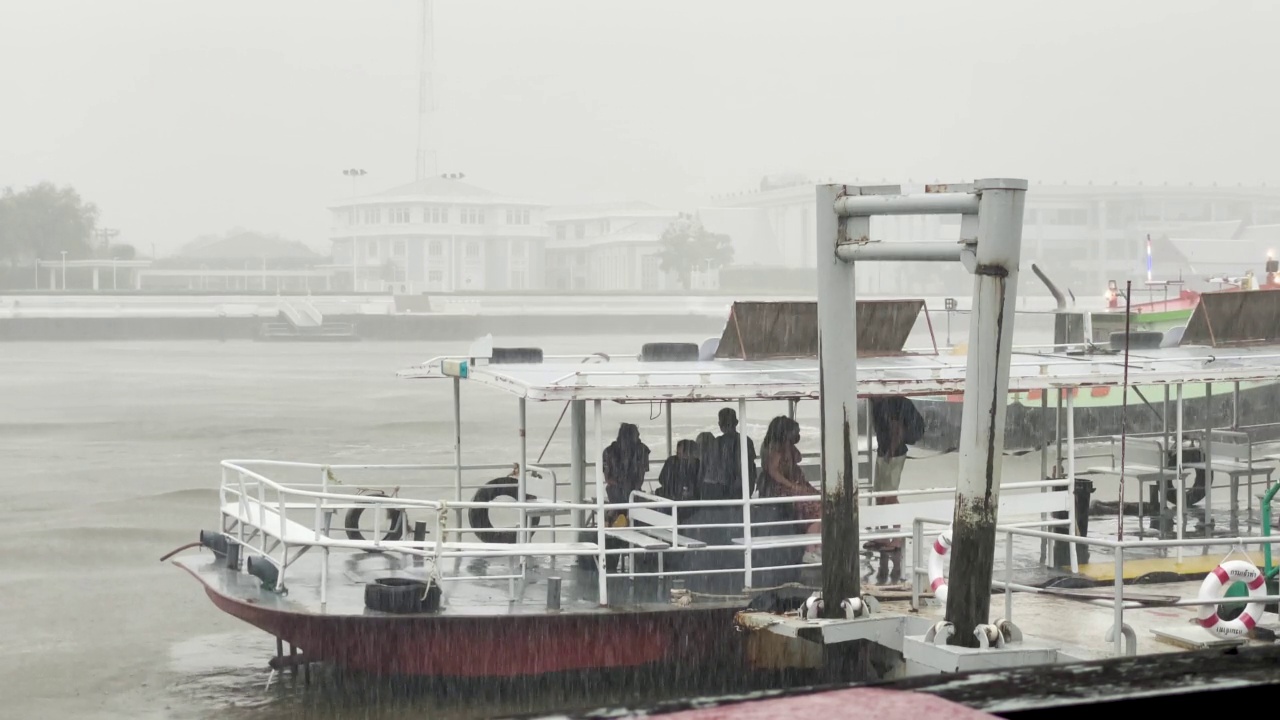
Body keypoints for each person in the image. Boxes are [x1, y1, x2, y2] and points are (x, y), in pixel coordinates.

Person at [866, 395, 925, 583]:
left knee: (889, 495)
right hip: (885, 450)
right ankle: (884, 536)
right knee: (879, 493)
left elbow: (896, 429)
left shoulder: (888, 404)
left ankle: (897, 537)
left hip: (894, 452)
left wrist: (890, 451)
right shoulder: (878, 403)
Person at [758, 416, 821, 563]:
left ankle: (817, 544)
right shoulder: (774, 448)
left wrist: (790, 445)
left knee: (824, 501)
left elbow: (798, 457)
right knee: (816, 507)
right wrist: (791, 486)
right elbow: (773, 472)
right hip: (781, 487)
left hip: (794, 483)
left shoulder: (785, 446)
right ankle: (810, 548)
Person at [602, 423, 651, 526]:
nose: (639, 436)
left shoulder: (609, 451)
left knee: (619, 500)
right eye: (637, 434)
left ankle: (612, 519)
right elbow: (640, 477)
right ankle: (620, 518)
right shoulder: (641, 450)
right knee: (628, 500)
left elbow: (607, 478)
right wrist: (628, 488)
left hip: (619, 492)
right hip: (627, 492)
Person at [711, 408, 757, 500]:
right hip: (742, 487)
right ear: (736, 422)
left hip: (724, 488)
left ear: (719, 424)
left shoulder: (718, 442)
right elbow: (751, 466)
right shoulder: (746, 441)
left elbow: (715, 466)